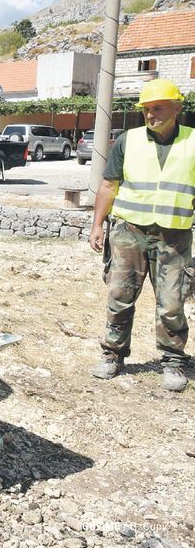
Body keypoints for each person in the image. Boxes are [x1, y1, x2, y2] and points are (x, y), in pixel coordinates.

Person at [89, 78, 192, 393]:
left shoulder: (192, 142)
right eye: (146, 109)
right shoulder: (128, 141)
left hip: (174, 237)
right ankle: (113, 354)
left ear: (177, 108)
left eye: (157, 107)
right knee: (119, 297)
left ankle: (173, 361)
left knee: (172, 302)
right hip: (129, 232)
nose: (150, 114)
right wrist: (97, 225)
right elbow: (108, 185)